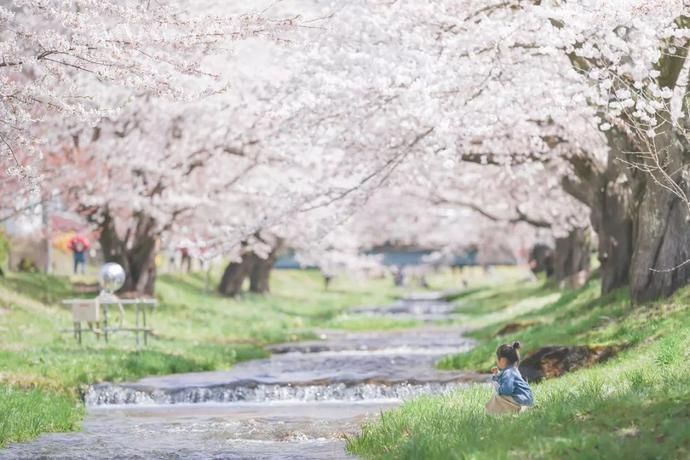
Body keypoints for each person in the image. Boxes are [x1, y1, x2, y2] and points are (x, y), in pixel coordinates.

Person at [486, 341, 534, 415]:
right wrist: (497, 375)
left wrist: (498, 388)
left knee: (497, 398)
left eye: (497, 359)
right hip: (527, 398)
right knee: (500, 396)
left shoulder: (508, 372)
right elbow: (506, 381)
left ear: (502, 360)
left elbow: (507, 390)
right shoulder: (513, 370)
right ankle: (519, 409)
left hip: (521, 400)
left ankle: (507, 412)